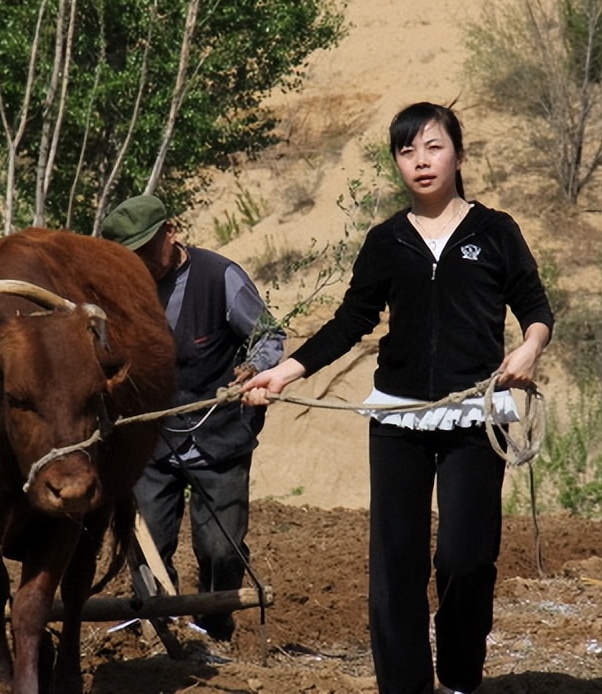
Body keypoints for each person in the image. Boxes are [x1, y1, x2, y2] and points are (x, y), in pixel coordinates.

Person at [241, 102, 554, 694]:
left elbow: (535, 309)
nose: (421, 161)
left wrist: (529, 349)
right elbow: (350, 320)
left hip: (476, 414)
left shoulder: (496, 232)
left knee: (466, 557)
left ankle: (461, 676)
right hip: (398, 415)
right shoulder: (385, 240)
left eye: (433, 147)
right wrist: (285, 372)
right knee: (396, 565)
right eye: (406, 151)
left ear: (458, 154)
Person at [100, 193, 285, 641]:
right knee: (146, 547)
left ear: (172, 231)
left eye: (149, 249)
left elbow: (268, 333)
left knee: (221, 550)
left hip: (219, 436)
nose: (144, 263)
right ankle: (158, 630)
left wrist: (256, 367)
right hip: (151, 441)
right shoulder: (121, 292)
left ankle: (214, 624)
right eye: (133, 256)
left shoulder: (219, 276)